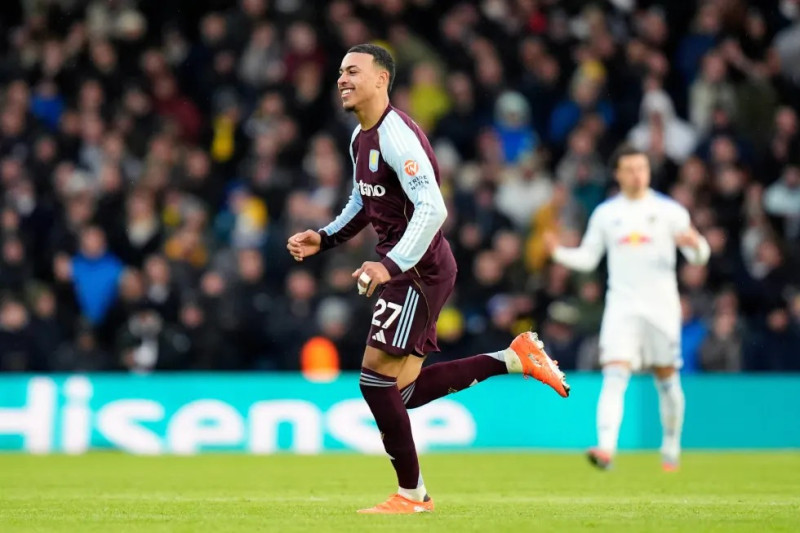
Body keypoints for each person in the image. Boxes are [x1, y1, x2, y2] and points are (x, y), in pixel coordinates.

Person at [287, 44, 569, 514]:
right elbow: (362, 200)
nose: (342, 79)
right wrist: (325, 237)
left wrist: (390, 266)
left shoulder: (397, 136)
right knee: (402, 390)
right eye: (340, 72)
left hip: (417, 271)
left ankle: (412, 495)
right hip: (414, 268)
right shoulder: (361, 137)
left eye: (353, 71)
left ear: (382, 79)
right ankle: (513, 358)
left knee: (374, 381)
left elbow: (433, 208)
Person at [545, 145, 710, 472]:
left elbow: (698, 256)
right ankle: (606, 449)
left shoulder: (670, 211)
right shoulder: (606, 214)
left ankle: (671, 446)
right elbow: (589, 257)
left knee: (667, 378)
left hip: (661, 308)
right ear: (618, 174)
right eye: (630, 169)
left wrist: (699, 246)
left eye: (641, 168)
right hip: (622, 306)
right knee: (614, 374)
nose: (637, 174)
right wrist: (559, 253)